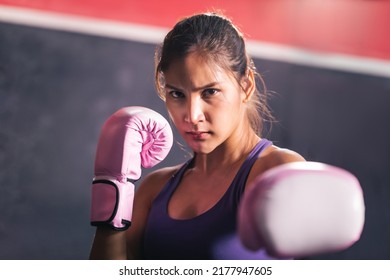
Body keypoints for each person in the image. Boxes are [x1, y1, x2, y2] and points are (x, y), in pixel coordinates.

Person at [89, 12, 364, 260]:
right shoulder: (153, 189)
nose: (192, 115)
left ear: (246, 86)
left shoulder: (277, 171)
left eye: (210, 92)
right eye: (177, 94)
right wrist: (112, 193)